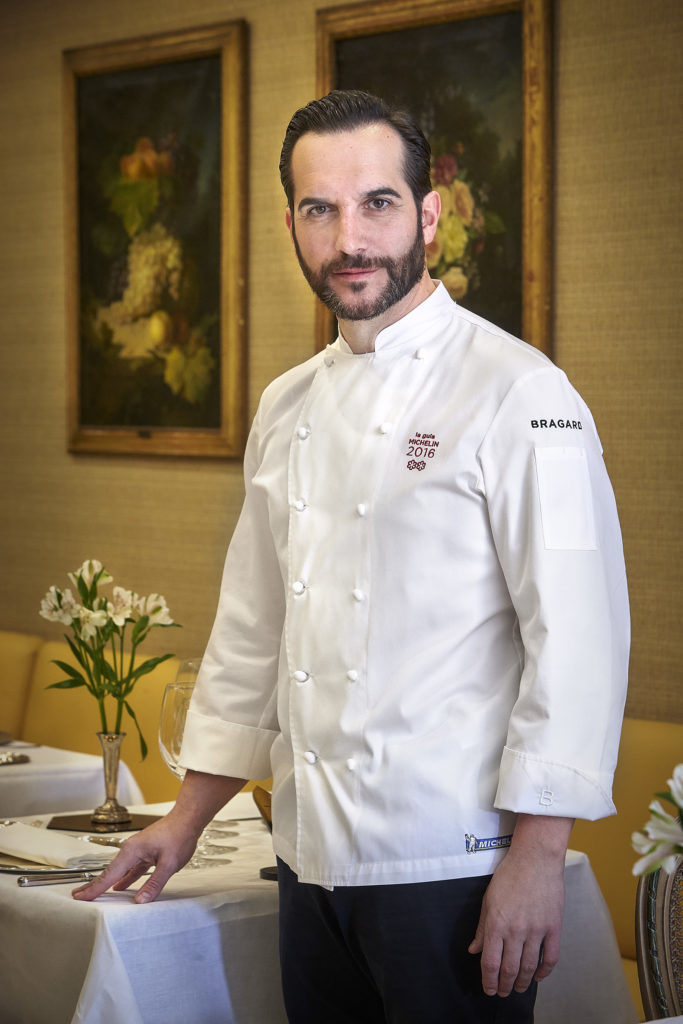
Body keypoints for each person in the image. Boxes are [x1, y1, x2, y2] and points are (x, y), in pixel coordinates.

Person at [74, 90, 630, 1023]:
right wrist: (185, 817)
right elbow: (254, 630)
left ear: (428, 214)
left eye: (376, 203)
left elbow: (579, 637)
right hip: (307, 863)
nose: (348, 240)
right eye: (318, 210)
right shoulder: (286, 404)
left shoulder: (523, 393)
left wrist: (537, 856)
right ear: (290, 224)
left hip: (451, 865)